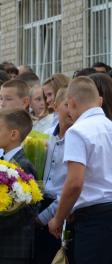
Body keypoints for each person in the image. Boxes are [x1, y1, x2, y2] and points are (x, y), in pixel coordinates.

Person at [48, 76, 112, 264]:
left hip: (94, 220)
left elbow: (75, 183)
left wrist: (57, 219)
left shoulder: (78, 131)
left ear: (71, 103)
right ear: (99, 101)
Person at [0, 108, 37, 264]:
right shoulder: (0, 162)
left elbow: (29, 211)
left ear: (13, 134)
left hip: (13, 247)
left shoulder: (23, 165)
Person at [35, 88, 74, 264]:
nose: (71, 109)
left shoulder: (77, 139)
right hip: (40, 204)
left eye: (75, 105)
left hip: (62, 210)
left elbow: (71, 185)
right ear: (56, 106)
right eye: (66, 104)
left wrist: (46, 216)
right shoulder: (46, 136)